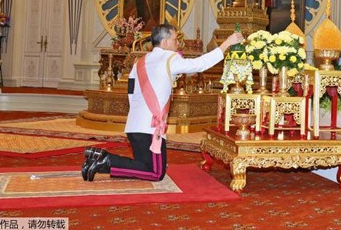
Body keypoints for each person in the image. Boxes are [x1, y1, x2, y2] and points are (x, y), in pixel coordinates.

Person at [81, 24, 244, 182]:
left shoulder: (140, 61)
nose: (178, 43)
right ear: (165, 42)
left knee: (144, 167)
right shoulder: (169, 58)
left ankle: (99, 159)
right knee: (156, 173)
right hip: (150, 129)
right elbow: (198, 65)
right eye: (175, 39)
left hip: (134, 125)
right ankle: (104, 160)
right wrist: (227, 44)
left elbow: (130, 92)